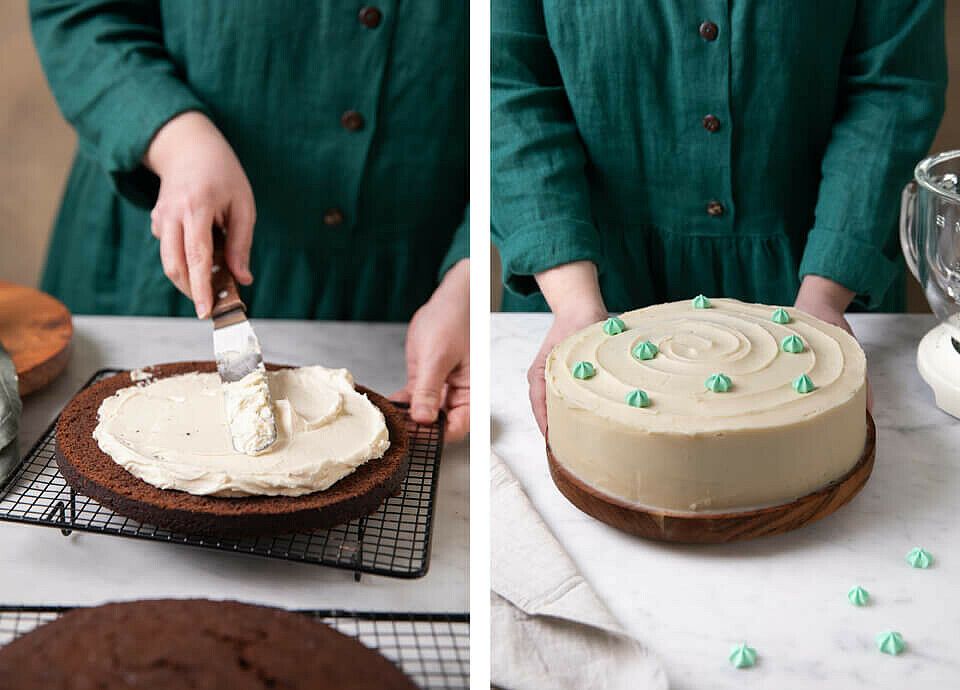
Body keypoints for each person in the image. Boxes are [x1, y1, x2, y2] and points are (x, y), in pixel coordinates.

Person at [492, 1, 946, 434]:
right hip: (582, 281)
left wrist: (824, 300)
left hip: (821, 274)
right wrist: (575, 307)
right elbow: (508, 85)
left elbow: (893, 85)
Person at [31, 1, 469, 440]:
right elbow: (77, 10)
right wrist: (179, 141)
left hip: (412, 295)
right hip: (155, 261)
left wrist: (469, 272)